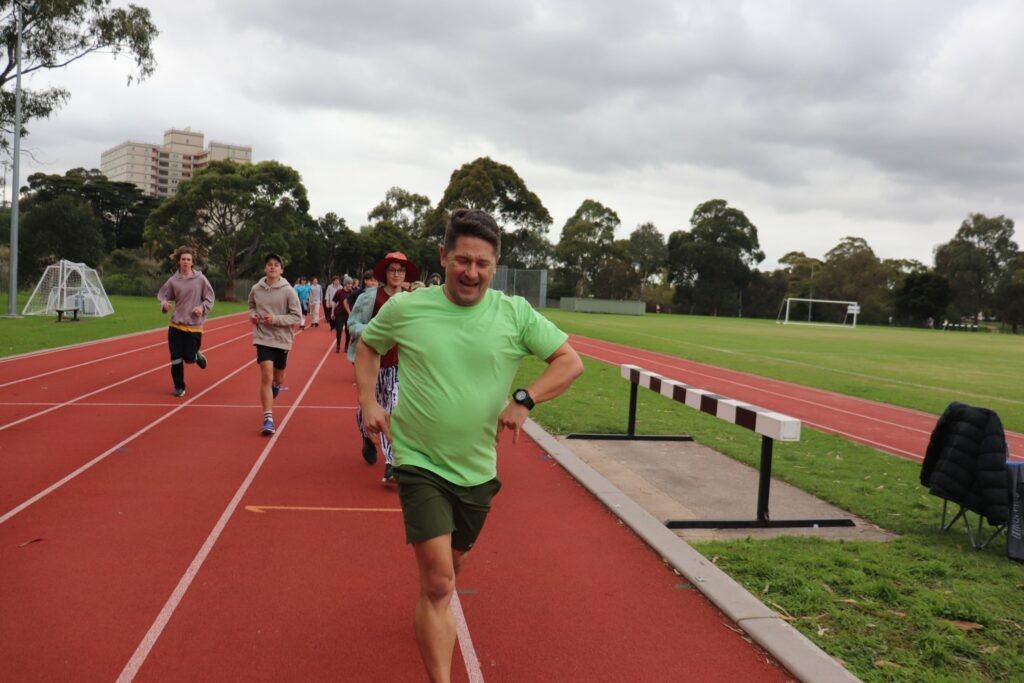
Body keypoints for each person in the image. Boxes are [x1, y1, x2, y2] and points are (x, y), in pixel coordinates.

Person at [356, 209, 583, 682]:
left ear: (495, 264)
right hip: (418, 459)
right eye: (462, 260)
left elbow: (569, 362)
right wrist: (368, 402)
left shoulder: (514, 314)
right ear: (444, 256)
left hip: (477, 470)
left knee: (452, 565)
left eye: (482, 263)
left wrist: (526, 398)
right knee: (439, 584)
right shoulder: (406, 308)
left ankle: (430, 603)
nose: (471, 272)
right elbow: (368, 346)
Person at [348, 252, 417, 482]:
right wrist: (368, 332)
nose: (397, 274)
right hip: (372, 363)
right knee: (366, 407)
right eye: (392, 269)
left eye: (401, 270)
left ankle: (391, 462)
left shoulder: (412, 298)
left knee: (392, 410)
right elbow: (352, 324)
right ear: (385, 273)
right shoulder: (369, 297)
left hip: (400, 366)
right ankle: (366, 435)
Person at [248, 253, 302, 435]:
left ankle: (277, 387)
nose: (272, 267)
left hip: (282, 339)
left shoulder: (288, 291)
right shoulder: (257, 288)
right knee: (266, 375)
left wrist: (275, 319)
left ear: (281, 269)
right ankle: (268, 418)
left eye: (276, 265)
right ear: (265, 268)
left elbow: (296, 316)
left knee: (278, 378)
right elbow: (251, 306)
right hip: (263, 337)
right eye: (269, 264)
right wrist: (253, 316)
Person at [157, 246, 215, 397]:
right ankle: (179, 387)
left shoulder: (201, 279)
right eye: (183, 259)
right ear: (178, 261)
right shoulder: (173, 281)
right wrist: (164, 305)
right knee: (175, 357)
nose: (185, 262)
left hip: (194, 325)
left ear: (192, 262)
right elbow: (163, 296)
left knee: (188, 357)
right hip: (176, 324)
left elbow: (210, 298)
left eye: (188, 259)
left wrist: (202, 308)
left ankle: (196, 356)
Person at [331, 275, 354, 353]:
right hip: (339, 313)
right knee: (339, 330)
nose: (350, 285)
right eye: (349, 284)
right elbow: (334, 301)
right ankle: (338, 346)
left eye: (351, 284)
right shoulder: (339, 292)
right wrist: (332, 312)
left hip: (348, 314)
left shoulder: (352, 293)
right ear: (345, 284)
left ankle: (346, 346)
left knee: (348, 331)